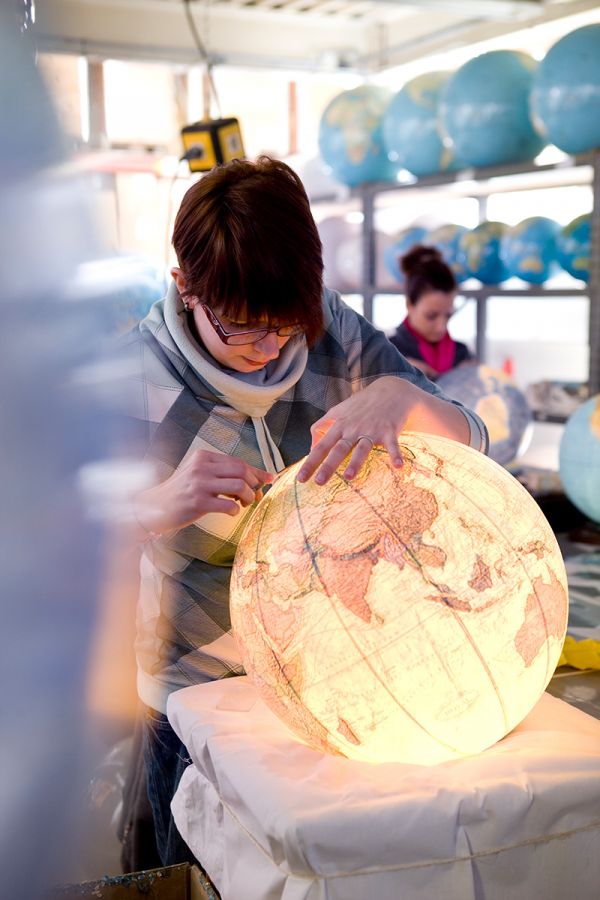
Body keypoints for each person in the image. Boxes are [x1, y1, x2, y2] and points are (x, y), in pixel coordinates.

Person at [120, 156, 488, 868]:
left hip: (332, 693)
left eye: (284, 328)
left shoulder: (332, 333)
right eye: (243, 329)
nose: (267, 350)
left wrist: (408, 401)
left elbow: (478, 442)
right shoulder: (129, 378)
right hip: (192, 706)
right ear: (185, 288)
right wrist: (153, 506)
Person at [389, 244, 474, 380]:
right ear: (409, 304)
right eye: (431, 316)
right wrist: (396, 374)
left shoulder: (461, 354)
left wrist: (476, 377)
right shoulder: (388, 354)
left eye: (448, 316)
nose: (442, 327)